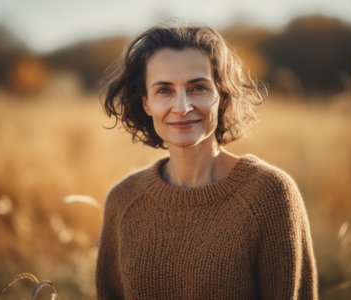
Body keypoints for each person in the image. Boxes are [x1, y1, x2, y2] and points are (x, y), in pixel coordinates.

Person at [96, 24, 318, 299]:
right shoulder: (123, 200)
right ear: (146, 103)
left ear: (222, 96)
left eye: (198, 87)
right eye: (164, 90)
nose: (182, 107)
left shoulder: (270, 194)